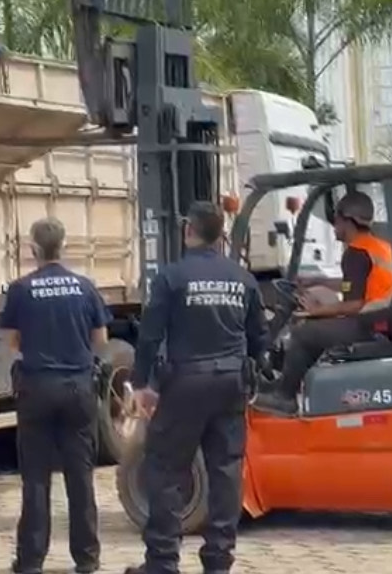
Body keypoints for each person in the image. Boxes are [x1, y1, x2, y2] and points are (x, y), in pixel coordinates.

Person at [124, 202, 267, 574]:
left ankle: (162, 561)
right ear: (221, 234)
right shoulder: (243, 279)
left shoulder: (172, 277)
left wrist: (141, 384)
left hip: (185, 383)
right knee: (225, 471)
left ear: (189, 230)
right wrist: (253, 375)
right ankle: (218, 561)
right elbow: (258, 338)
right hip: (230, 383)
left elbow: (151, 335)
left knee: (166, 468)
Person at [0, 217, 109, 574]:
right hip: (79, 389)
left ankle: (31, 560)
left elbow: (14, 343)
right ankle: (87, 558)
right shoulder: (85, 287)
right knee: (81, 478)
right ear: (63, 247)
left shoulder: (21, 288)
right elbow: (101, 340)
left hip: (37, 389)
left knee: (35, 479)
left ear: (33, 248)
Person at [252, 191, 392, 415]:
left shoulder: (356, 253)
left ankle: (285, 396)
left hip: (367, 325)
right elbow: (360, 285)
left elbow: (355, 304)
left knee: (303, 333)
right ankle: (289, 385)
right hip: (381, 320)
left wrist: (314, 311)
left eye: (336, 220)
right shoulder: (377, 246)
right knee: (317, 327)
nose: (334, 226)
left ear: (348, 220)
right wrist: (319, 281)